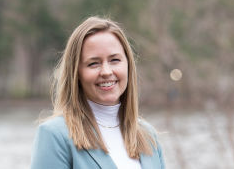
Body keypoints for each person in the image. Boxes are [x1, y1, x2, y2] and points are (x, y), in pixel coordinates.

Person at [30, 16, 165, 169]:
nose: (106, 72)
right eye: (93, 63)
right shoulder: (55, 135)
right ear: (76, 73)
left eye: (114, 60)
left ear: (128, 65)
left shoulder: (148, 135)